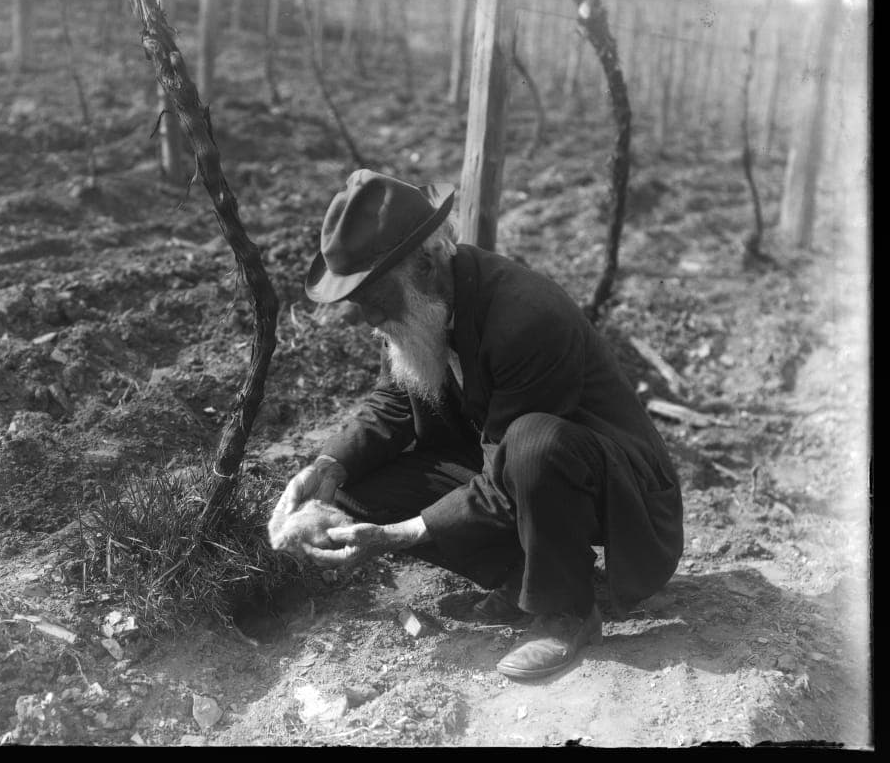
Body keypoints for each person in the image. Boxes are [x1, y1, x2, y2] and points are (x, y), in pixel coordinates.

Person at [270, 169, 683, 680]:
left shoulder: (524, 316)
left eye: (373, 299)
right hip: (514, 473)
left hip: (613, 489)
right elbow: (395, 404)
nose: (366, 318)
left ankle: (567, 609)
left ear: (425, 264)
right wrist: (328, 467)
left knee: (534, 443)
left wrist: (404, 533)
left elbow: (513, 470)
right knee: (350, 497)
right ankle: (521, 577)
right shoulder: (416, 309)